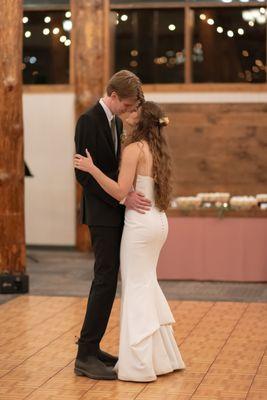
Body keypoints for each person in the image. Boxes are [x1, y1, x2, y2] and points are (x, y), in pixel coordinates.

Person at [74, 101, 186, 382]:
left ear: (141, 120)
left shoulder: (134, 149)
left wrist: (92, 168)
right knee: (147, 283)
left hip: (140, 226)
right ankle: (162, 358)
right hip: (158, 222)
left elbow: (120, 190)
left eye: (135, 111)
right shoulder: (156, 148)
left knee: (136, 288)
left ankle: (138, 364)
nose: (129, 113)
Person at [74, 70, 152, 380]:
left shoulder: (116, 122)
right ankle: (84, 354)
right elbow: (83, 175)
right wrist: (121, 199)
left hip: (115, 214)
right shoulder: (88, 120)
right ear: (114, 95)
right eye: (129, 104)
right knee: (104, 281)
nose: (131, 110)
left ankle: (92, 349)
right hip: (101, 215)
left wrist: (126, 194)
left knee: (108, 282)